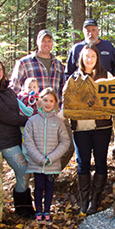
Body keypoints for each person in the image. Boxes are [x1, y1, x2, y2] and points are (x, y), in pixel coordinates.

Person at [9, 29, 74, 170]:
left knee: (68, 146)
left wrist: (62, 111)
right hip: (34, 114)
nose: (46, 43)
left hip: (56, 114)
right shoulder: (24, 63)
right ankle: (35, 178)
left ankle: (51, 174)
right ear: (37, 42)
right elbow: (13, 90)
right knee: (35, 149)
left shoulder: (58, 65)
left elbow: (64, 90)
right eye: (43, 40)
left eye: (49, 40)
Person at [0, 58, 34, 219]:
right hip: (3, 141)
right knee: (23, 171)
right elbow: (8, 117)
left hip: (16, 137)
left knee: (25, 172)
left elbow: (18, 109)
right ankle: (23, 210)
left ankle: (25, 208)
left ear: (3, 72)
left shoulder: (6, 90)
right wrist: (32, 121)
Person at [66, 42, 114, 216]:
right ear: (82, 58)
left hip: (102, 127)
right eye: (87, 56)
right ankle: (84, 201)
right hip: (81, 128)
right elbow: (68, 101)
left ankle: (95, 199)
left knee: (101, 162)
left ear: (97, 58)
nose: (90, 59)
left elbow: (112, 99)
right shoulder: (74, 78)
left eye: (93, 56)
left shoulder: (106, 75)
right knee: (83, 163)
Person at [24, 88, 70, 222]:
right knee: (38, 188)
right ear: (40, 101)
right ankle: (38, 211)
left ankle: (47, 211)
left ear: (55, 103)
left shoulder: (58, 122)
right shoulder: (32, 121)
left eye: (51, 101)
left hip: (52, 163)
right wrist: (39, 158)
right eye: (45, 100)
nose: (48, 103)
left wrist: (52, 157)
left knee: (49, 188)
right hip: (37, 164)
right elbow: (28, 141)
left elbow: (65, 141)